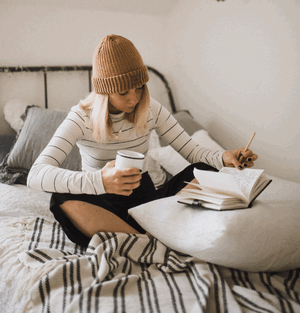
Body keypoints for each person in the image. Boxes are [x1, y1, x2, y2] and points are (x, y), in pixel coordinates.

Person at [27, 34, 258, 247]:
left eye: (139, 88)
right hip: (103, 206)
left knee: (204, 170)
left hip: (148, 202)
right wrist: (100, 181)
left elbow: (193, 151)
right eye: (124, 92)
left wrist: (223, 157)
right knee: (60, 198)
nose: (134, 99)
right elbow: (36, 175)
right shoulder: (80, 117)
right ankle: (148, 240)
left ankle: (139, 238)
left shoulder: (151, 109)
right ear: (105, 92)